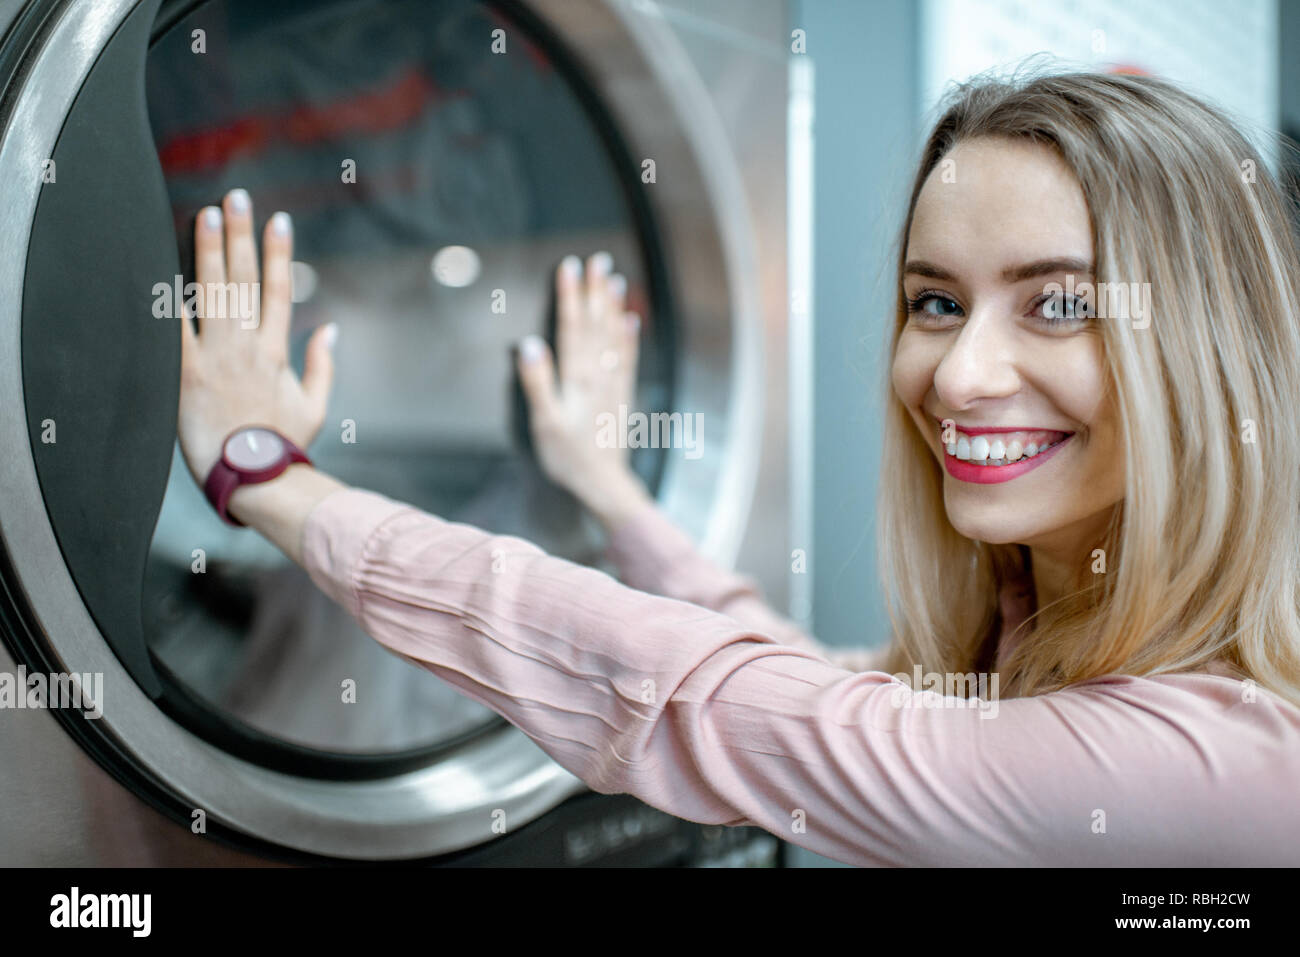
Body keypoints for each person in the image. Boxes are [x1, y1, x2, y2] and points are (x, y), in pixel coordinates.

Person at [173, 70, 1300, 866]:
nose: (959, 377)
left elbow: (726, 705)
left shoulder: (1222, 764)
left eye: (1059, 305)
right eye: (936, 303)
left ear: (1211, 353)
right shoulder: (1027, 644)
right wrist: (610, 486)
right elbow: (801, 685)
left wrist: (271, 480)